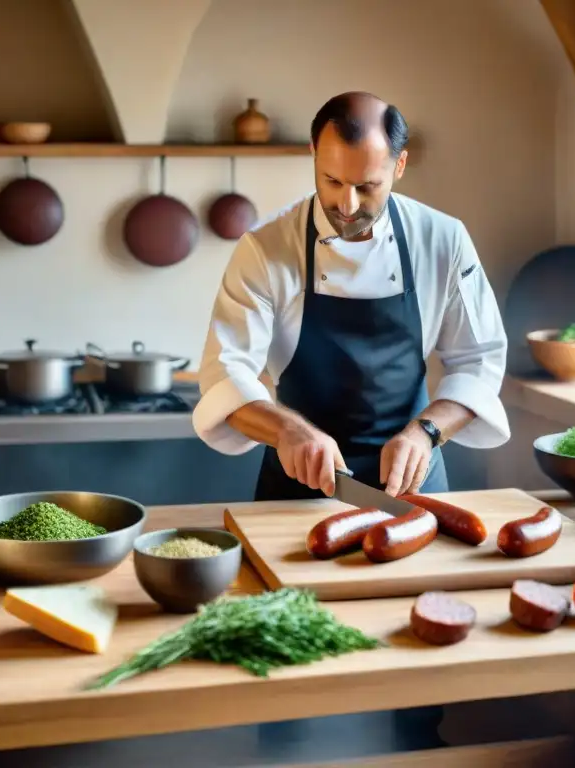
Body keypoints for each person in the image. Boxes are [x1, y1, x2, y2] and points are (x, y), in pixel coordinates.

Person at [192, 91, 510, 502]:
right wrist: (288, 431)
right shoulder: (266, 249)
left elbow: (479, 361)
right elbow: (224, 373)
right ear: (314, 154)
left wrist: (427, 432)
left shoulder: (443, 239)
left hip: (411, 489)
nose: (347, 204)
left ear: (400, 164)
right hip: (299, 489)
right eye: (332, 181)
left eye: (366, 186)